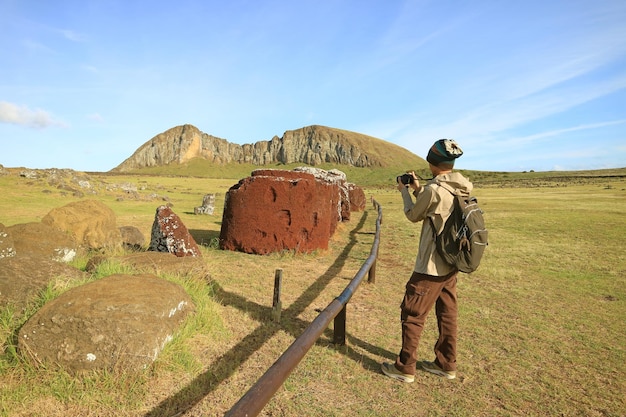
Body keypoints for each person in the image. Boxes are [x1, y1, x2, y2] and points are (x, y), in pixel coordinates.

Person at [381, 138, 472, 383]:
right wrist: (419, 189)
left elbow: (413, 214)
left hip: (431, 266)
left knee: (412, 313)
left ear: (431, 162)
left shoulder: (434, 190)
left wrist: (404, 192)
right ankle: (446, 364)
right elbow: (435, 207)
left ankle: (404, 367)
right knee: (447, 315)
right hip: (451, 263)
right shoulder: (459, 186)